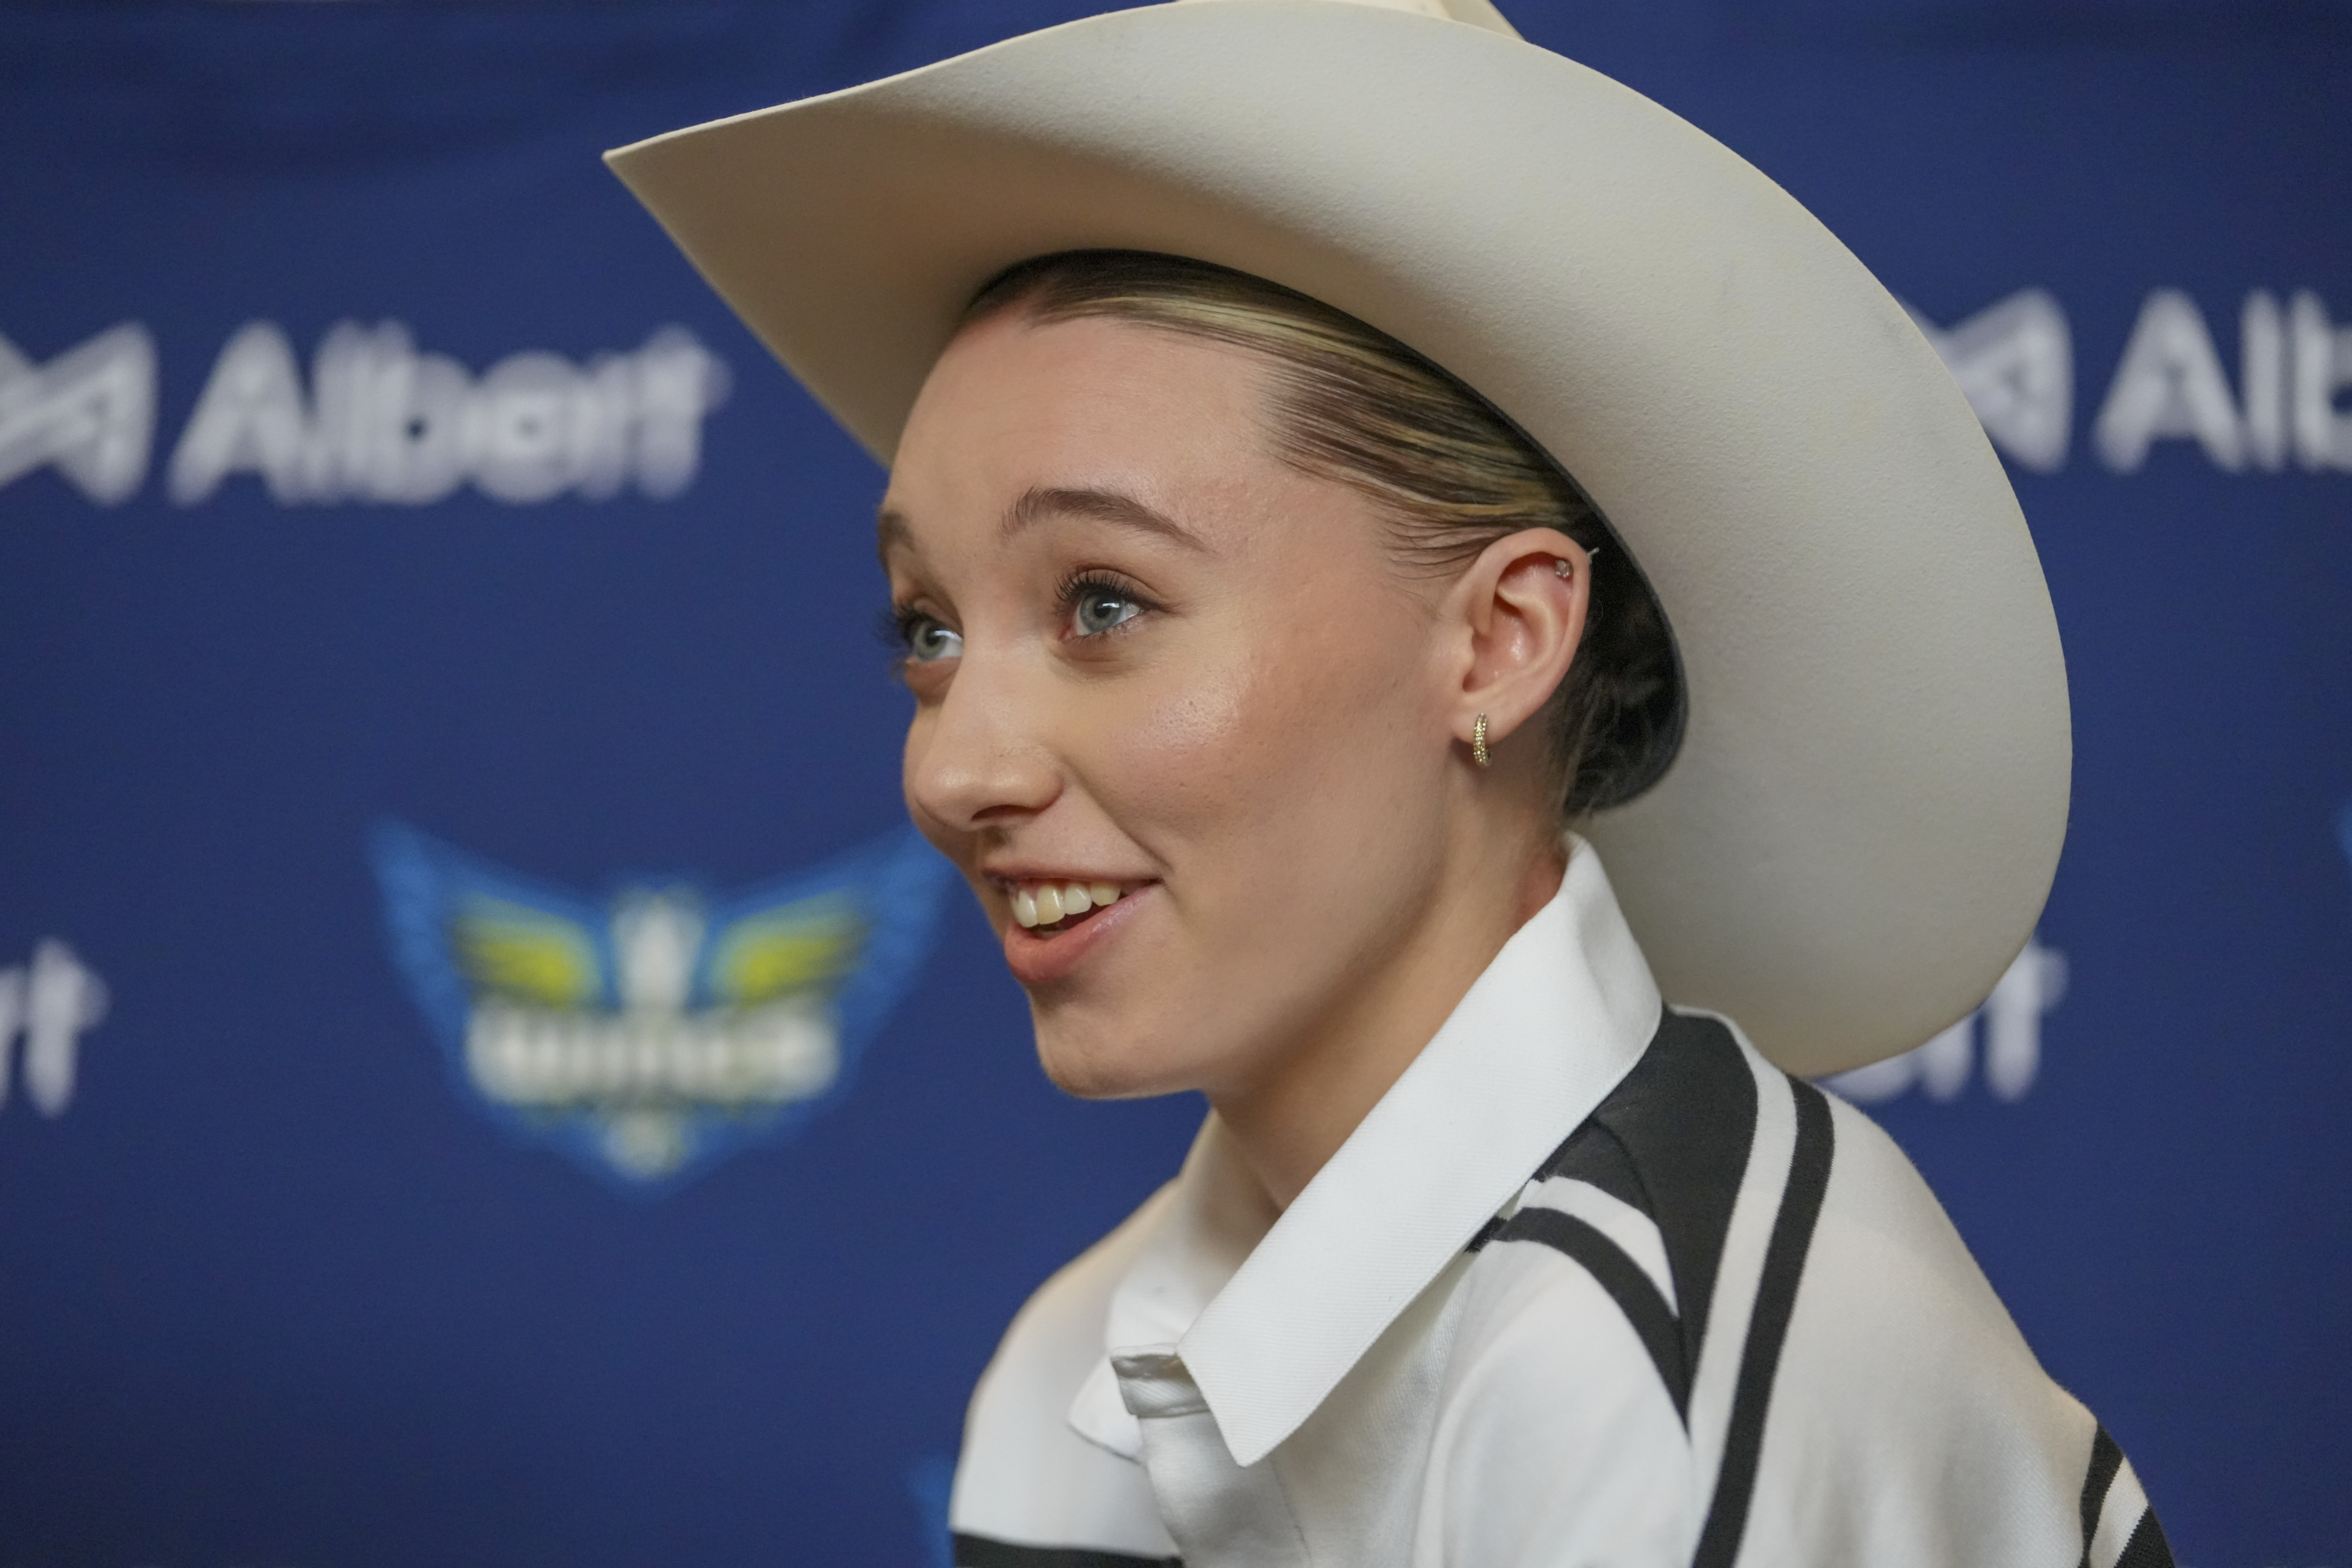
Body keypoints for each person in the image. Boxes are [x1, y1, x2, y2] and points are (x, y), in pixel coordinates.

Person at [607, 2, 2173, 1564]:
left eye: (1104, 603)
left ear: (1500, 641)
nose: (955, 768)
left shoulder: (1644, 1375)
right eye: (929, 631)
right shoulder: (1074, 1369)